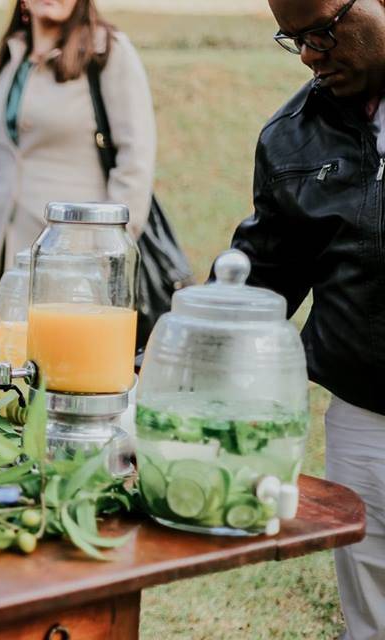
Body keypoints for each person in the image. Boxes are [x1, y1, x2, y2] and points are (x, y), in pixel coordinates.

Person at [231, 1, 385, 637]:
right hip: (365, 420)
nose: (309, 54)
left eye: (322, 30)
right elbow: (264, 276)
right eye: (292, 39)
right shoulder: (291, 136)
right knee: (371, 616)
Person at [0, 0, 156, 327]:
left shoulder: (108, 51)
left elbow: (136, 159)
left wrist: (110, 249)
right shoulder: (12, 55)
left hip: (74, 258)